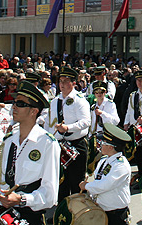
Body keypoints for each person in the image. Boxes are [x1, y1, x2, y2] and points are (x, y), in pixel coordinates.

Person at [0, 82, 60, 224]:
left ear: (34, 111)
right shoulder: (8, 140)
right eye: (15, 102)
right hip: (3, 214)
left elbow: (50, 195)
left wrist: (22, 199)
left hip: (30, 215)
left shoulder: (47, 143)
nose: (14, 107)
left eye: (21, 104)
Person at [44, 66, 90, 200]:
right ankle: (62, 212)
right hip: (59, 145)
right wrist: (48, 137)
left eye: (65, 81)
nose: (62, 84)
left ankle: (78, 212)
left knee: (76, 181)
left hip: (76, 144)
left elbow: (86, 122)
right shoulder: (54, 101)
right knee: (61, 181)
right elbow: (48, 122)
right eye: (60, 81)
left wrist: (68, 128)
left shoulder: (80, 100)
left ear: (74, 83)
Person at [79, 123, 132, 225]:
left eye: (103, 143)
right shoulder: (104, 160)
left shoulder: (121, 166)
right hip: (102, 209)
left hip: (116, 213)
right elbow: (98, 180)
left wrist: (87, 186)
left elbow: (105, 185)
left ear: (111, 147)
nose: (100, 145)